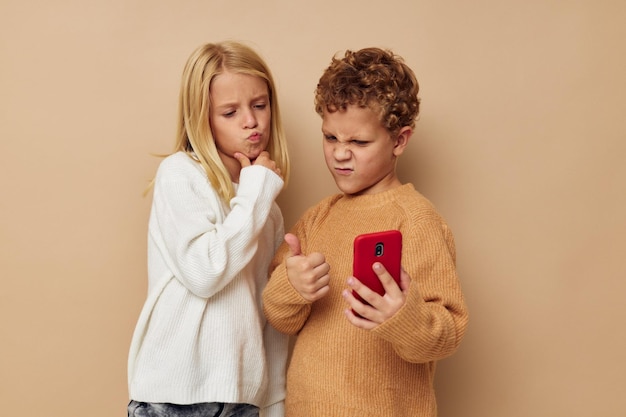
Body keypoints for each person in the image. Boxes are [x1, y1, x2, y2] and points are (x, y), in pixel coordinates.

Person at [262, 47, 469, 416]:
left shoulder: (416, 220)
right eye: (330, 138)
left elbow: (448, 329)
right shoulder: (317, 218)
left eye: (358, 142)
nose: (341, 154)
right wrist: (290, 287)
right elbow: (282, 319)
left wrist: (404, 316)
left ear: (400, 140)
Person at [127, 41, 291, 417]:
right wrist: (257, 191)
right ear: (202, 118)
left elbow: (270, 310)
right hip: (172, 397)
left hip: (241, 399)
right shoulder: (181, 174)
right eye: (230, 112)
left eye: (260, 105)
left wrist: (275, 403)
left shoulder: (264, 205)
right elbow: (205, 272)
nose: (251, 122)